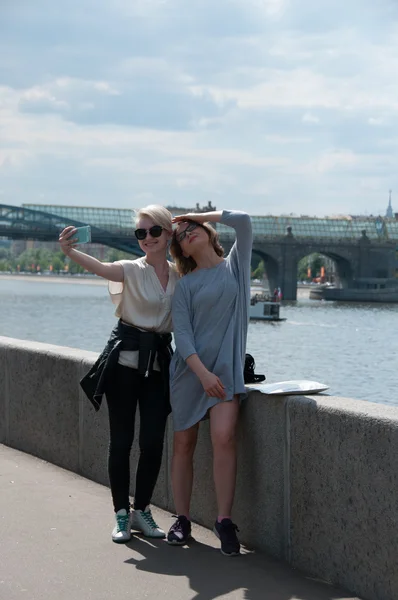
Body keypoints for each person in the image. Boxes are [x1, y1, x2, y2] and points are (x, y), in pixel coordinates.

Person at [58, 205, 179, 544]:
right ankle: (121, 515)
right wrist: (71, 251)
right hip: (124, 365)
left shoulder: (180, 274)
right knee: (122, 441)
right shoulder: (130, 268)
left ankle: (142, 510)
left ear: (168, 233)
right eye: (141, 233)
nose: (147, 239)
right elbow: (101, 267)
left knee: (153, 441)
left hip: (157, 367)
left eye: (154, 231)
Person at [166, 209, 252, 556]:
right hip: (191, 374)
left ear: (208, 231)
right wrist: (202, 375)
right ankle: (182, 519)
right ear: (182, 253)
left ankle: (223, 520)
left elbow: (243, 221)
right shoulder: (185, 285)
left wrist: (197, 214)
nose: (187, 233)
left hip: (226, 373)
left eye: (192, 228)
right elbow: (182, 337)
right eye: (181, 235)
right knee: (183, 446)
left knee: (224, 437)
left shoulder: (236, 266)